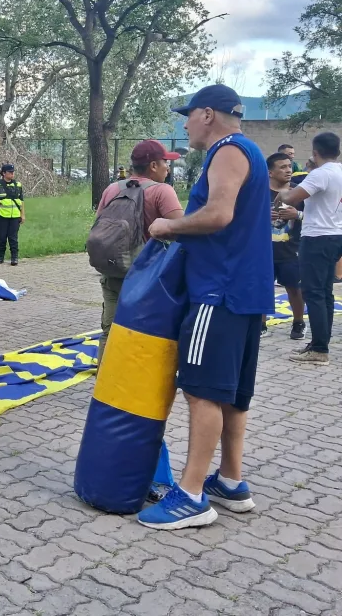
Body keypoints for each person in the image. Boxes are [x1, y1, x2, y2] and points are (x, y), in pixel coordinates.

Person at [138, 84, 272, 530]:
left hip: (218, 292)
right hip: (246, 293)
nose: (185, 123)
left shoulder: (228, 150)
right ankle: (230, 482)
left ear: (208, 114)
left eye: (189, 115)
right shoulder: (250, 151)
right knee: (232, 394)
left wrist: (168, 225)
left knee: (202, 390)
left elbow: (218, 215)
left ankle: (191, 496)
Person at [93, 140, 184, 365]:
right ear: (153, 165)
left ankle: (104, 389)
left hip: (113, 270)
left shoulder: (113, 189)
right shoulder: (163, 191)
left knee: (110, 331)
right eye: (165, 163)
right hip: (149, 277)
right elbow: (183, 232)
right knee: (147, 334)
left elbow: (98, 225)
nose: (168, 168)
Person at [277, 132, 342, 364]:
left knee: (313, 293)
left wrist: (281, 190)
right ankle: (319, 343)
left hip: (317, 238)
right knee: (324, 292)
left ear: (315, 153)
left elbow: (292, 197)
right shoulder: (340, 171)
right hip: (335, 236)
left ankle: (320, 349)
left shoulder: (320, 174)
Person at [264, 152, 306, 341]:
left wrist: (296, 214)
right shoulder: (259, 192)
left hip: (292, 250)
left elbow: (312, 218)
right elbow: (242, 217)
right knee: (263, 288)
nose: (288, 170)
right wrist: (263, 217)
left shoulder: (300, 192)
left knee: (295, 289)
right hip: (264, 250)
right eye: (283, 167)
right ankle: (261, 324)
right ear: (270, 172)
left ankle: (298, 323)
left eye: (289, 166)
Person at [0, 163, 25, 265]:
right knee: (2, 237)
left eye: (13, 172)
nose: (12, 174)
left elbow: (21, 201)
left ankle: (14, 258)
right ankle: (0, 257)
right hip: (1, 215)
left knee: (13, 238)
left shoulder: (18, 185)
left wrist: (22, 215)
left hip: (15, 216)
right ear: (4, 173)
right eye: (10, 172)